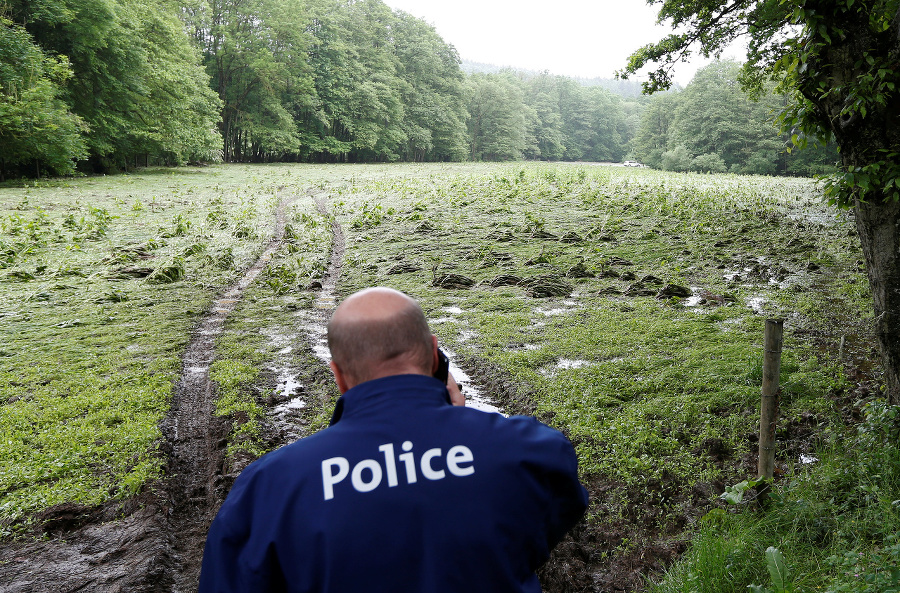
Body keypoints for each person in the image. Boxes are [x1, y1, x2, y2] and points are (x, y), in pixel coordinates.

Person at [198, 287, 588, 593]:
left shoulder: (270, 488)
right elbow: (553, 513)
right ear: (435, 356)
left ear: (338, 376)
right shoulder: (527, 450)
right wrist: (461, 422)